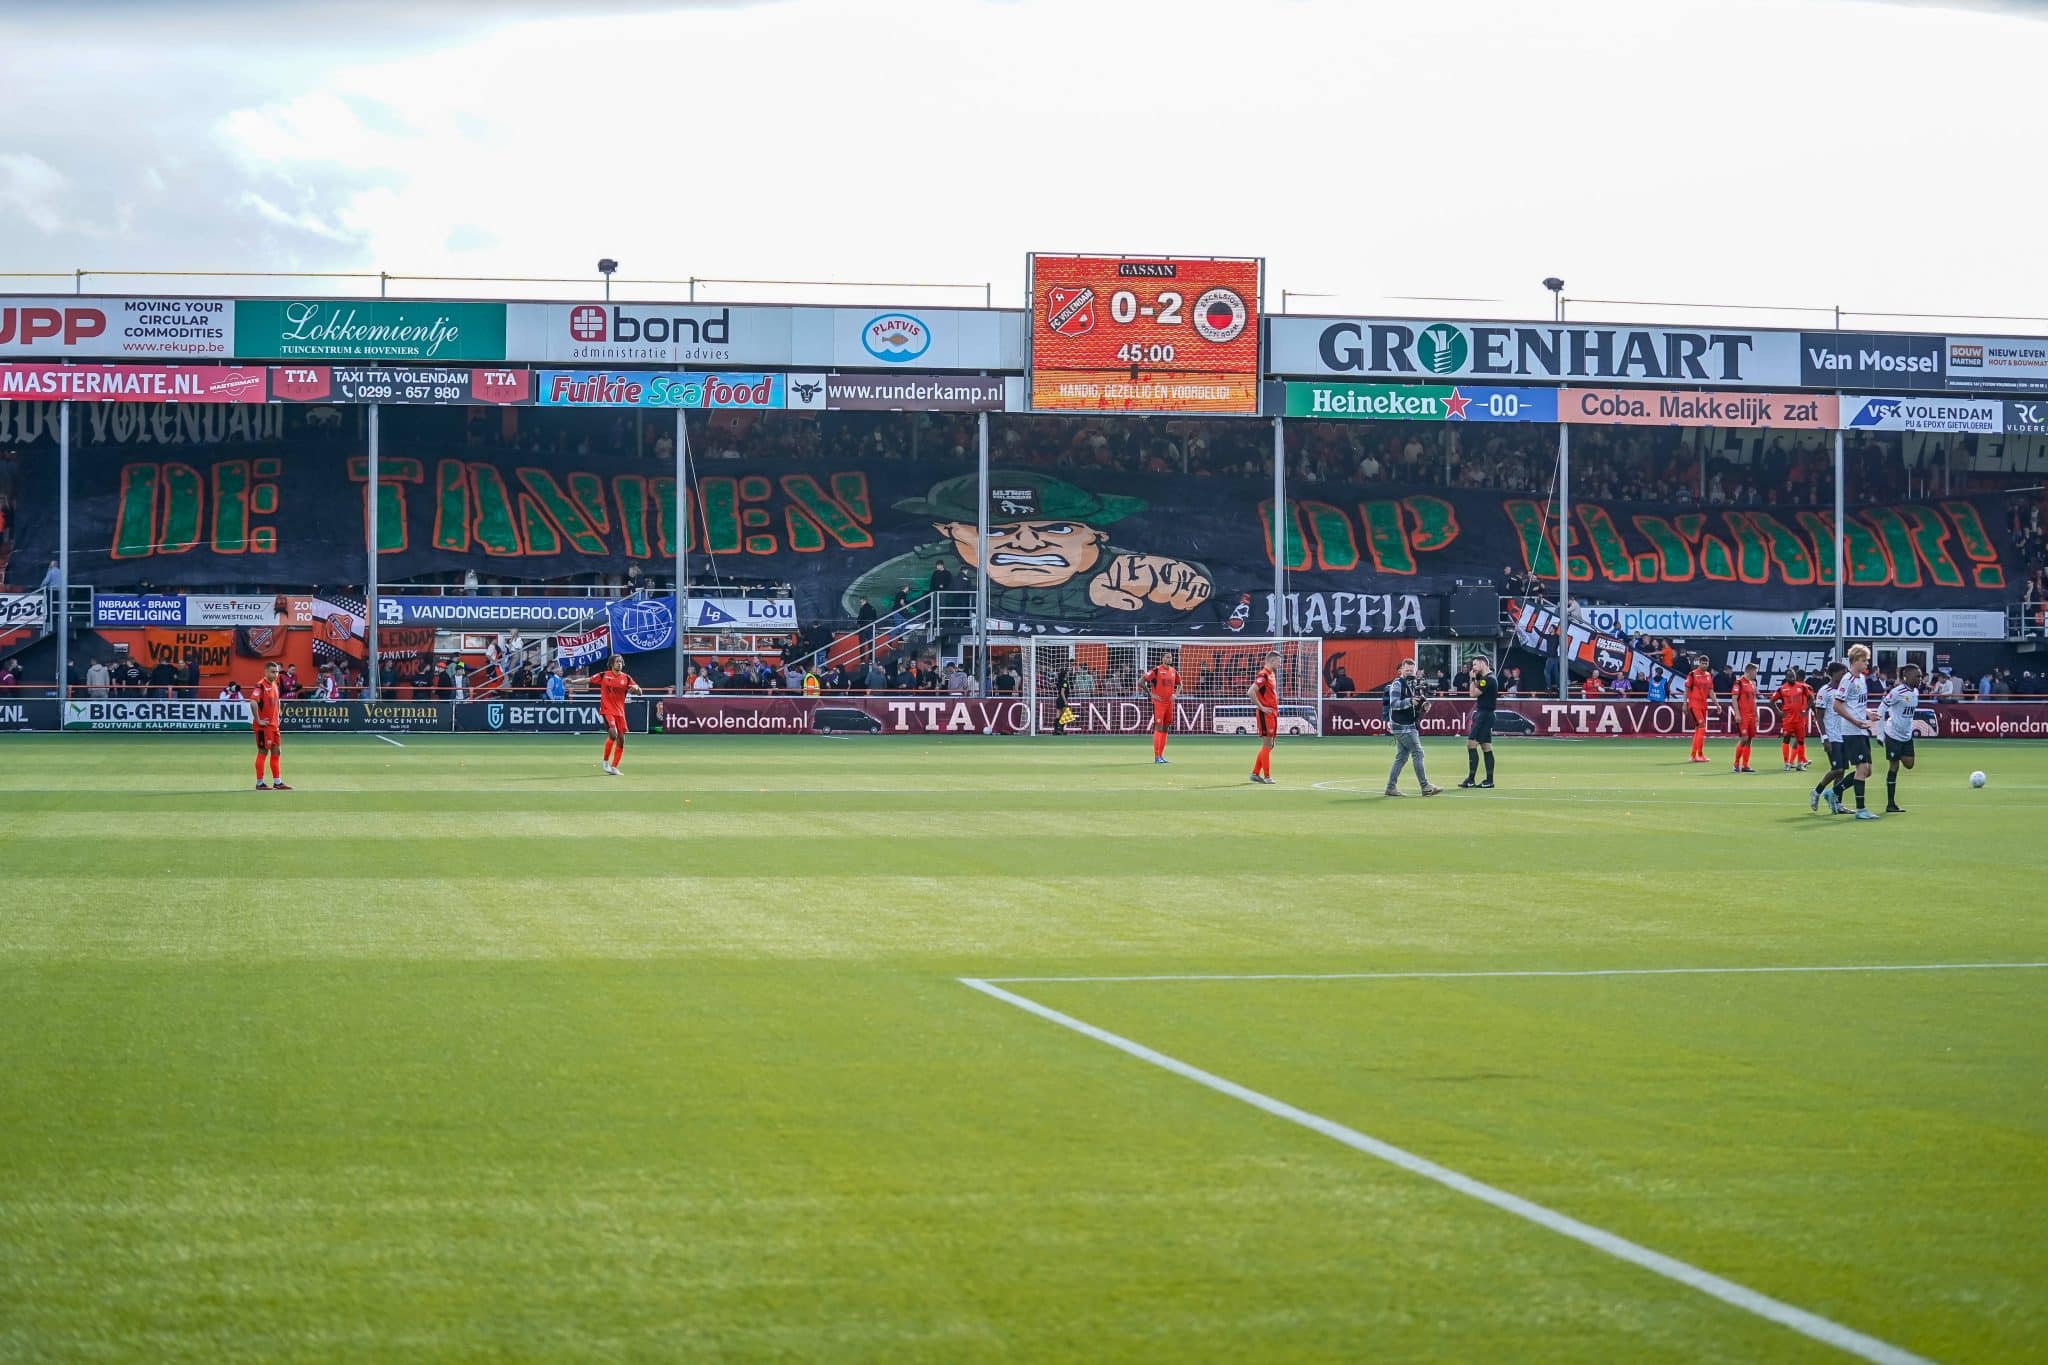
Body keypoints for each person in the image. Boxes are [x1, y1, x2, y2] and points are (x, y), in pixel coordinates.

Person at [1825, 645, 1881, 819]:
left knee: (1868, 770)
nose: (1866, 663)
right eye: (1864, 660)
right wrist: (1856, 721)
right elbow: (1837, 705)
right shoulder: (1847, 679)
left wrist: (1868, 713)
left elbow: (1856, 705)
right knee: (1862, 768)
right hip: (1851, 730)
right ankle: (1861, 810)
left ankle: (1833, 792)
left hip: (1861, 728)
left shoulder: (1861, 680)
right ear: (1855, 660)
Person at [1384, 658, 1440, 797]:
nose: (1409, 672)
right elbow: (1394, 704)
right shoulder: (1397, 684)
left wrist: (1423, 706)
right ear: (1401, 670)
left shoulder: (1413, 684)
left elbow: (1416, 706)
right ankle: (1425, 786)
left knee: (1402, 757)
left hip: (1406, 725)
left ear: (1415, 671)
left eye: (1411, 670)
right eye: (1407, 669)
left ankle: (1391, 787)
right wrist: (1410, 701)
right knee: (1418, 753)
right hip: (1403, 726)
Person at [1881, 663, 1922, 814]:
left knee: (1909, 764)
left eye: (1920, 676)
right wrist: (1880, 733)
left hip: (1906, 735)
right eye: (1917, 676)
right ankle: (1890, 804)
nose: (1920, 679)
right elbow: (1882, 707)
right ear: (1907, 677)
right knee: (1894, 767)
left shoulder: (1915, 692)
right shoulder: (1897, 692)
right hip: (1893, 734)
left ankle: (1891, 803)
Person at [595, 655, 641, 776]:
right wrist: (572, 681)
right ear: (611, 664)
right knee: (613, 734)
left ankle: (614, 767)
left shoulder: (626, 678)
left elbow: (639, 692)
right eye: (617, 662)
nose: (619, 664)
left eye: (620, 662)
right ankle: (605, 762)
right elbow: (588, 680)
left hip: (620, 713)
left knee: (621, 740)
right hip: (607, 710)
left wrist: (636, 688)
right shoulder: (604, 675)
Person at [1460, 655, 1498, 789]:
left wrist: (1471, 679)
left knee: (1471, 744)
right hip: (1486, 715)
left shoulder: (1487, 680)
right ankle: (1489, 780)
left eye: (1475, 665)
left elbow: (1473, 694)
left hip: (1484, 715)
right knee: (1486, 746)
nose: (1473, 668)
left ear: (1483, 664)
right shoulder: (1488, 678)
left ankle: (1471, 779)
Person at [250, 661, 289, 791]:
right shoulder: (260, 686)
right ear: (266, 672)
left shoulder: (275, 685)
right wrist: (259, 720)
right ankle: (259, 783)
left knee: (276, 751)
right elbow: (253, 702)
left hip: (274, 726)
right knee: (263, 751)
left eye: (277, 671)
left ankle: (277, 782)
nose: (276, 674)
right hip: (264, 727)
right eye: (273, 671)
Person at [1246, 649, 1281, 784]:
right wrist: (1261, 707)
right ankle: (1266, 776)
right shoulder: (1263, 675)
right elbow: (1251, 692)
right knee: (1267, 744)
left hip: (1272, 713)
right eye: (1278, 662)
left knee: (1270, 745)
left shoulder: (1272, 674)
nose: (1279, 664)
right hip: (1265, 713)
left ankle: (1255, 773)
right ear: (1272, 661)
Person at [1772, 666, 1815, 771]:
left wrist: (1806, 709)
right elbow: (1772, 701)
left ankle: (1800, 764)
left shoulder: (1802, 687)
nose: (1792, 678)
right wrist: (1778, 712)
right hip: (1788, 720)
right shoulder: (1782, 689)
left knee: (1801, 741)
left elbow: (1811, 698)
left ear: (1796, 676)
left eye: (1793, 676)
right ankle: (1786, 763)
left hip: (1799, 719)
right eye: (1790, 676)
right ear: (1786, 677)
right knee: (1786, 740)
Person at [1142, 652, 1180, 764]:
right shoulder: (1156, 670)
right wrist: (1151, 694)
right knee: (1158, 727)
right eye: (1167, 657)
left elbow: (1180, 684)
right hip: (1159, 703)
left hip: (1169, 703)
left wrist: (1175, 694)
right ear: (1162, 658)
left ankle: (1161, 756)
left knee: (1165, 728)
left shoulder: (1173, 671)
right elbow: (1141, 681)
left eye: (1170, 657)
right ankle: (1156, 756)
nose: (1169, 659)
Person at [1730, 661, 1760, 773]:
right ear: (1750, 671)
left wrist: (1757, 715)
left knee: (1750, 739)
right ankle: (1736, 764)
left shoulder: (1752, 683)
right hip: (1743, 715)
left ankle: (1745, 765)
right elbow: (1734, 699)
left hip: (1752, 715)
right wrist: (1737, 713)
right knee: (1744, 738)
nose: (1756, 674)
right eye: (1755, 672)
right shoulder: (1739, 682)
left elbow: (1754, 700)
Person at [1684, 655, 1714, 762]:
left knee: (1698, 730)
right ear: (1699, 663)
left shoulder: (1708, 675)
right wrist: (1685, 703)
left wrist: (1717, 704)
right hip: (1694, 704)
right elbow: (1687, 689)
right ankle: (1700, 755)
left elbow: (1711, 691)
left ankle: (1693, 756)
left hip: (1703, 705)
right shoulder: (1692, 674)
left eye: (1706, 663)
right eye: (1703, 663)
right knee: (1701, 727)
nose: (1704, 665)